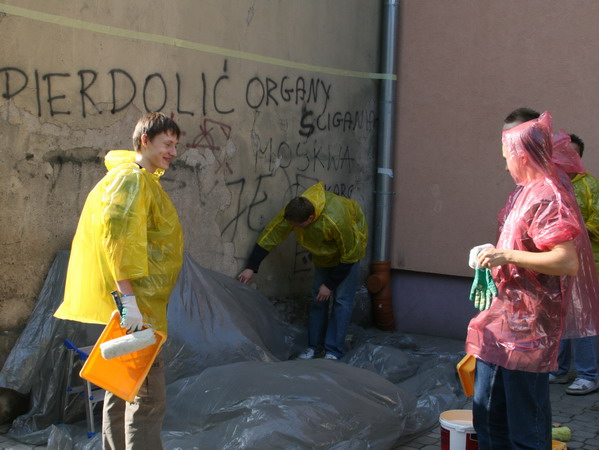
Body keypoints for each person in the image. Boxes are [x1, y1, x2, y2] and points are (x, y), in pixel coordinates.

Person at [54, 112, 184, 450]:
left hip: (138, 303)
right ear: (145, 140)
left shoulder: (137, 179)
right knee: (149, 398)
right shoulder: (133, 180)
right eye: (167, 144)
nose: (173, 152)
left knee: (123, 385)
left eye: (176, 145)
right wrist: (129, 301)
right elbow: (119, 239)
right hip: (139, 305)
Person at [466, 111, 586, 448]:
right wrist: (494, 251)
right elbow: (522, 244)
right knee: (490, 420)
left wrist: (507, 256)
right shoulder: (524, 192)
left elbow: (567, 261)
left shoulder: (548, 195)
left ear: (522, 154)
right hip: (504, 324)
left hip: (528, 333)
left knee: (525, 430)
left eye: (507, 157)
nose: (505, 166)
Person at [237, 182, 367, 360]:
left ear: (311, 217)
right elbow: (272, 234)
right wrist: (251, 267)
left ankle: (333, 351)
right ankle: (314, 347)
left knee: (342, 301)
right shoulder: (293, 213)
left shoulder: (335, 219)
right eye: (292, 225)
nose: (295, 228)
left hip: (347, 256)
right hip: (323, 255)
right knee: (317, 298)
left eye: (299, 226)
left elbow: (349, 256)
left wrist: (329, 285)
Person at [549, 133, 599, 395]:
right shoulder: (552, 185)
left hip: (587, 267)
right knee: (559, 318)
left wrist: (573, 231)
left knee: (583, 320)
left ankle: (588, 375)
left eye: (572, 154)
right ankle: (558, 368)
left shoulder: (590, 185)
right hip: (558, 265)